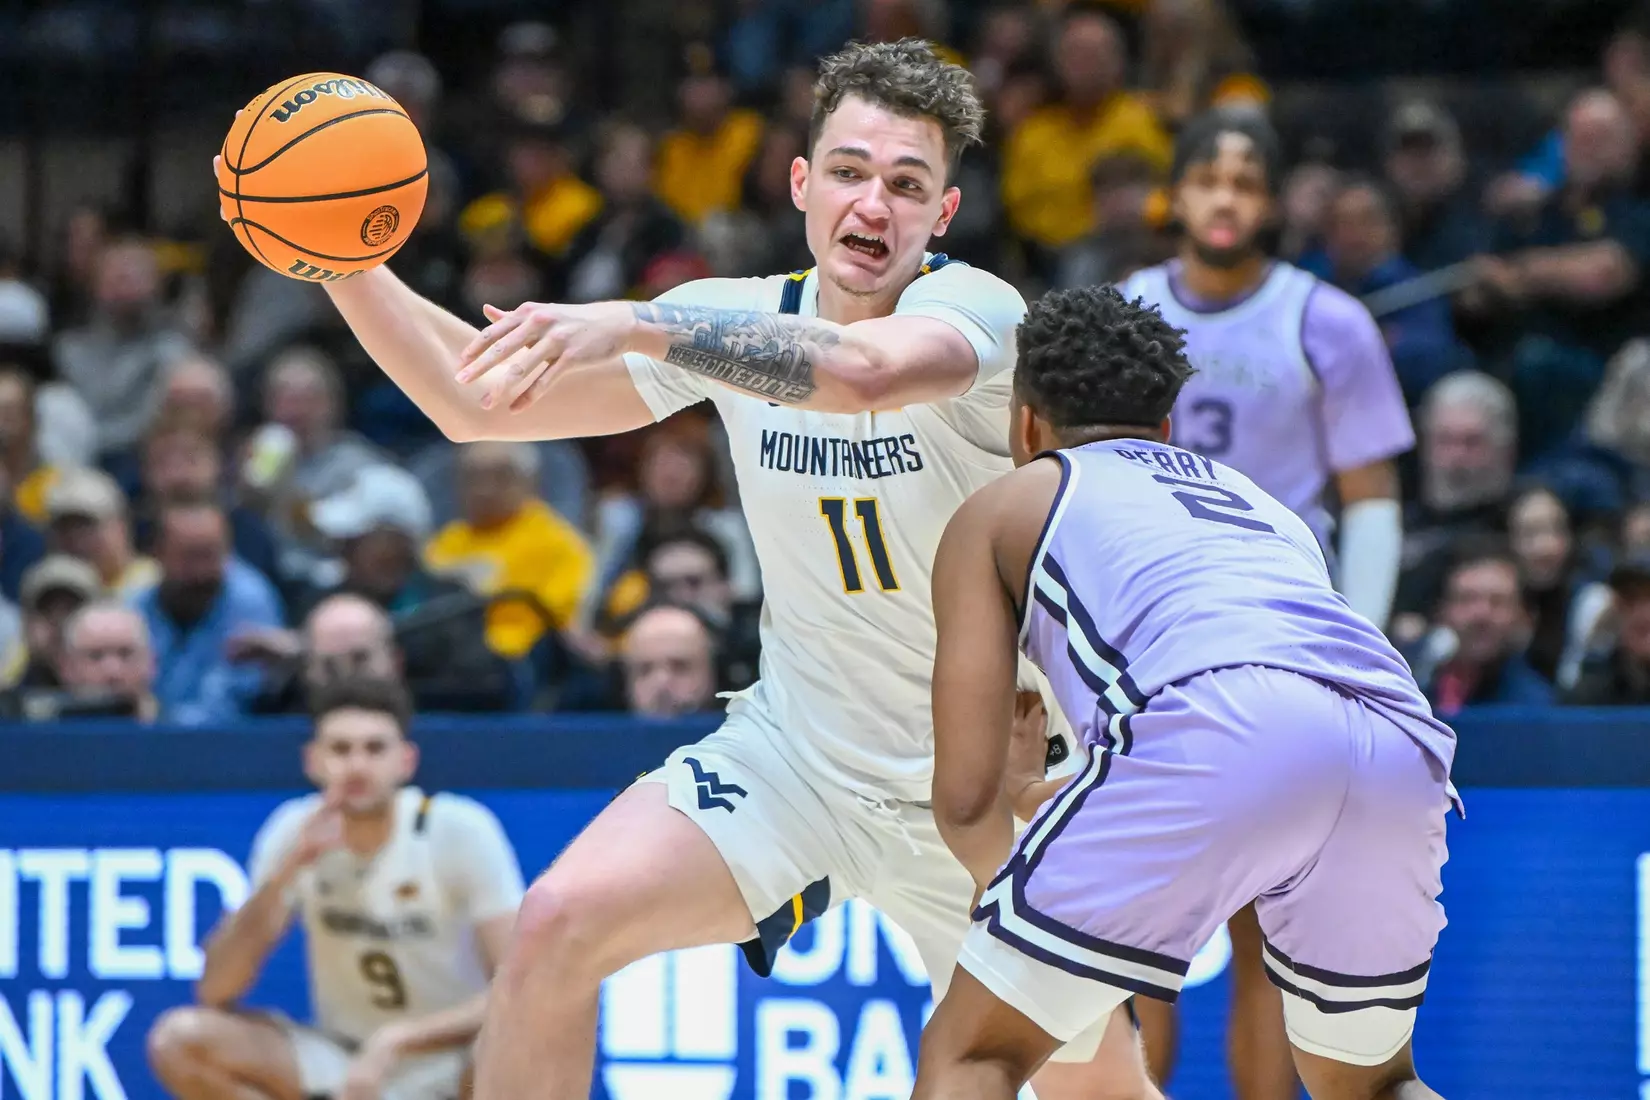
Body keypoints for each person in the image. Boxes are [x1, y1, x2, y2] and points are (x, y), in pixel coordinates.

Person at [283, 36, 1155, 1100]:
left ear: (944, 212)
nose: (872, 206)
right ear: (802, 183)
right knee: (556, 924)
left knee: (1101, 1090)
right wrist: (336, 257)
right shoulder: (732, 316)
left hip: (985, 787)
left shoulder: (977, 312)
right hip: (798, 756)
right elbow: (472, 404)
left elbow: (861, 375)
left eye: (906, 184)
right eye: (848, 172)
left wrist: (643, 323)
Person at [915, 285, 1456, 1100]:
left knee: (974, 1052)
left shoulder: (1002, 506)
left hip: (1220, 728)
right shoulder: (1265, 508)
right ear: (1166, 426)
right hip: (1396, 740)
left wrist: (1020, 936)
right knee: (1375, 1085)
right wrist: (1044, 798)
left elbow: (964, 804)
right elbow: (1272, 719)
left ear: (1024, 423)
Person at [1119, 110, 1416, 1097]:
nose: (1226, 197)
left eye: (1247, 181)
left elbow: (1370, 503)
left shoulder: (1327, 318)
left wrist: (1359, 650)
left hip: (1285, 648)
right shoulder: (1124, 308)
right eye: (1207, 177)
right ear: (1176, 194)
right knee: (1130, 933)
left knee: (1266, 932)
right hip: (1145, 645)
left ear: (1276, 203)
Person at [146, 676, 525, 1100]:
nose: (357, 765)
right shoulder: (295, 830)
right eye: (341, 749)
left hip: (449, 1055)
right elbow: (216, 988)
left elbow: (521, 983)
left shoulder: (456, 829)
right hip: (342, 1054)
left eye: (375, 748)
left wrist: (399, 1040)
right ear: (313, 760)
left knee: (517, 1044)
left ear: (406, 760)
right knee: (180, 1041)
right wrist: (288, 871)